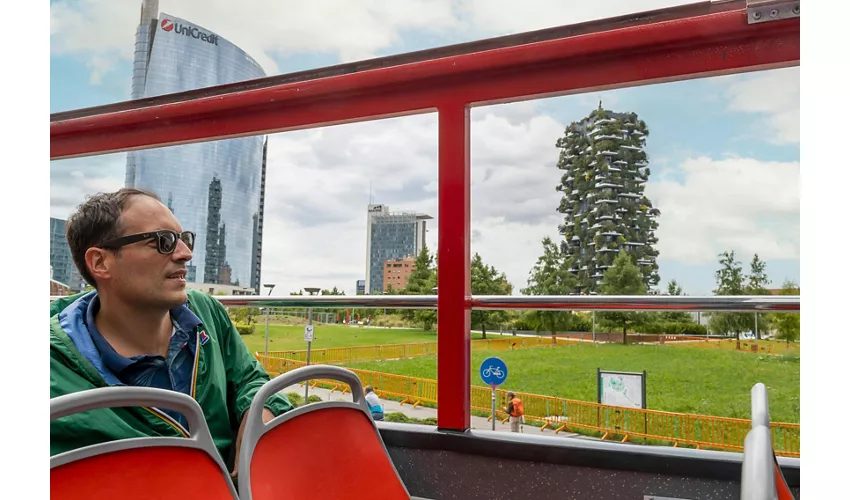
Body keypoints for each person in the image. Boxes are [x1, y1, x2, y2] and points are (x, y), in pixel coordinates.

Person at [49, 188, 293, 479]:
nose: (185, 254)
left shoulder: (207, 312)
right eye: (163, 241)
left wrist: (257, 423)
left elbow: (250, 381)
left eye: (183, 238)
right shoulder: (53, 367)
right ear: (101, 262)